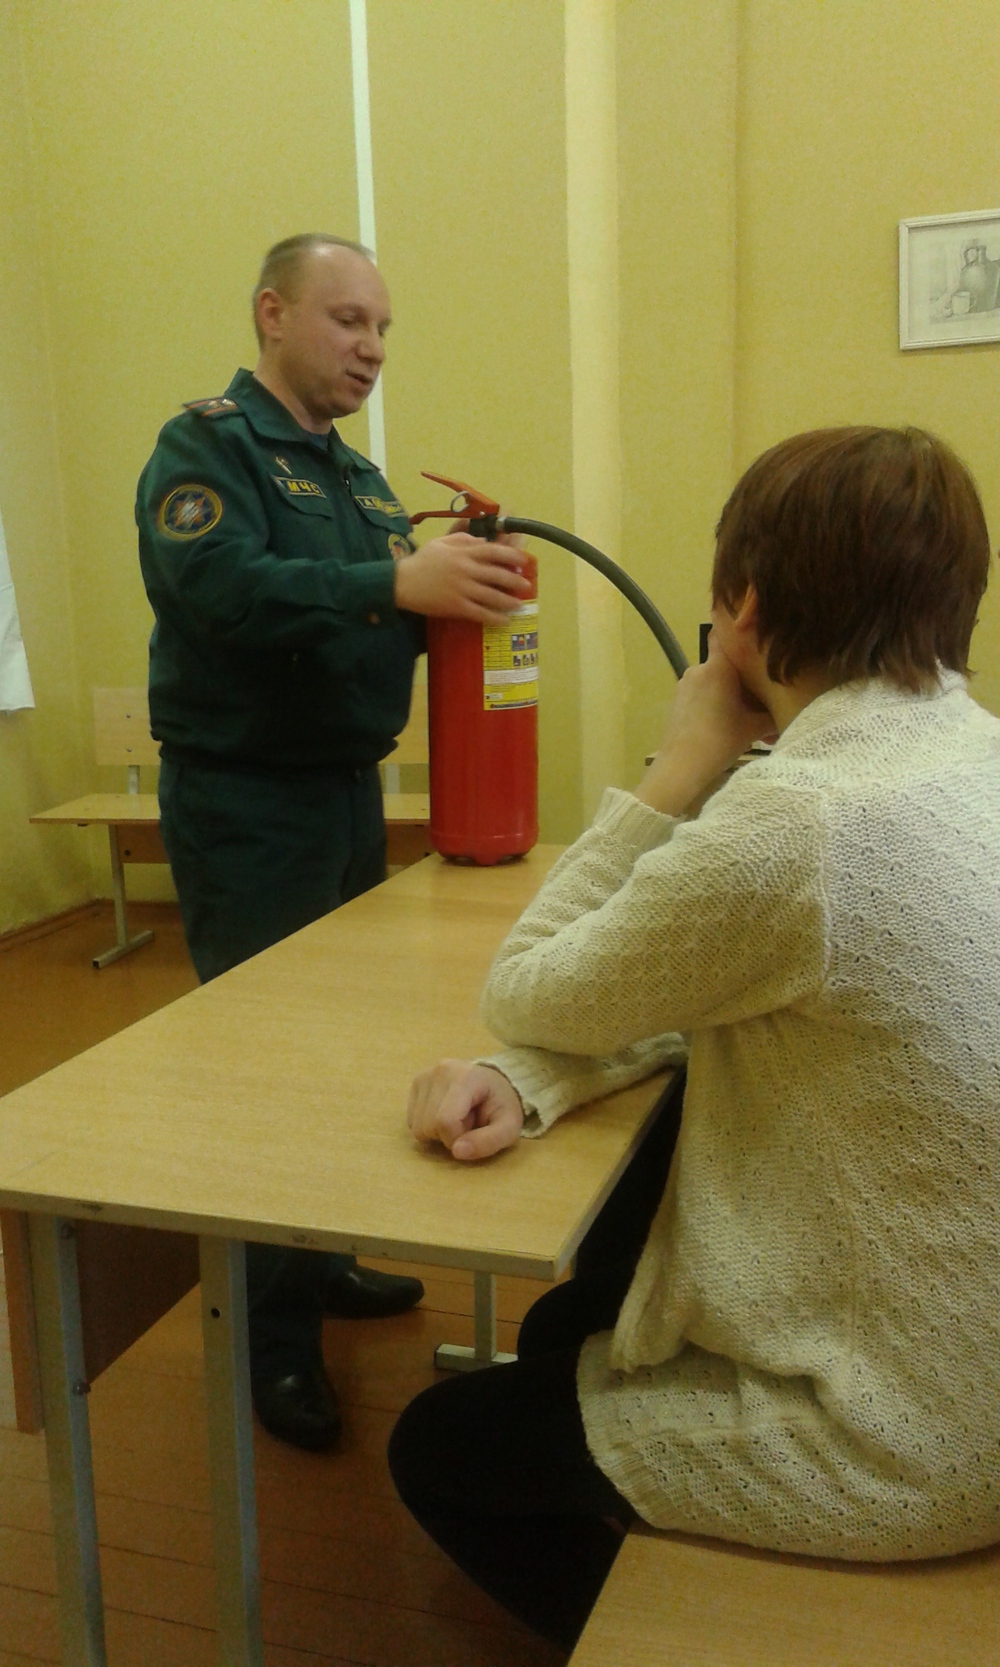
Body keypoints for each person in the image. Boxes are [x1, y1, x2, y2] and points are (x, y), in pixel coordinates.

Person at [388, 426, 1000, 1653]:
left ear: (745, 608)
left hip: (905, 1442)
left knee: (440, 1446)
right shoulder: (969, 753)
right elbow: (728, 987)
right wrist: (535, 1078)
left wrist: (680, 764)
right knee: (566, 1326)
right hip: (966, 1369)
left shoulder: (801, 817)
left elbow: (526, 982)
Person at [136, 233, 531, 1452]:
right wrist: (393, 585)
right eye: (348, 320)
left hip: (347, 798)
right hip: (247, 804)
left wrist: (465, 583)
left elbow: (389, 610)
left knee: (346, 1047)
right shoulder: (208, 447)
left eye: (382, 329)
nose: (370, 348)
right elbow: (215, 588)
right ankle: (271, 1334)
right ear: (273, 312)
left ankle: (323, 1259)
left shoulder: (358, 480)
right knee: (268, 1070)